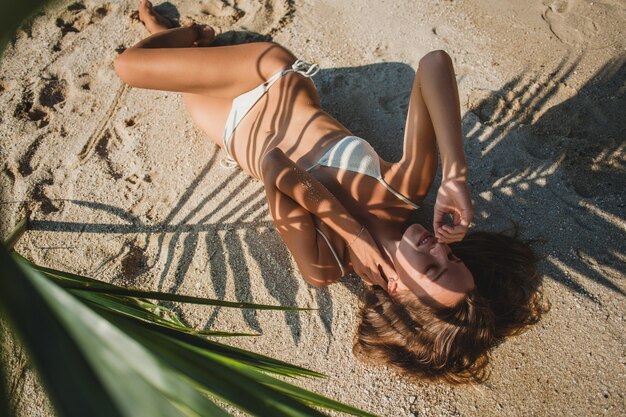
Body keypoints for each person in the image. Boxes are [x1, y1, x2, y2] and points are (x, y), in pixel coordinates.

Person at [114, 0, 547, 383]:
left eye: (432, 270)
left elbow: (274, 165)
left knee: (160, 64)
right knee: (128, 68)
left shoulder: (324, 264)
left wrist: (353, 233)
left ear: (396, 292)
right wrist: (455, 173)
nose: (438, 249)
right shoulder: (402, 193)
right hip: (270, 79)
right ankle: (192, 36)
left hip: (228, 127)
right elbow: (434, 62)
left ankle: (178, 35)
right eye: (451, 258)